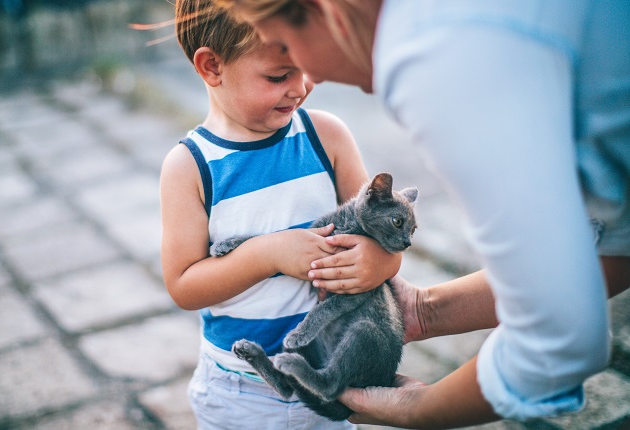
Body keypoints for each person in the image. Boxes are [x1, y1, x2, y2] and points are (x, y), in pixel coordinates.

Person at [210, 0, 630, 428]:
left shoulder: (428, 53)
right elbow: (611, 237)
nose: (308, 80)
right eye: (279, 70)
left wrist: (425, 410)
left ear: (329, 11)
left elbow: (560, 336)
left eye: (286, 46)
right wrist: (421, 309)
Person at [159, 1, 403, 428]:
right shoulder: (190, 167)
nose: (302, 86)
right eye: (278, 76)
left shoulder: (326, 137)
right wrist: (266, 255)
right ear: (212, 67)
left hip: (327, 377)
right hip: (239, 391)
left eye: (303, 65)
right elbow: (183, 285)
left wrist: (383, 260)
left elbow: (382, 235)